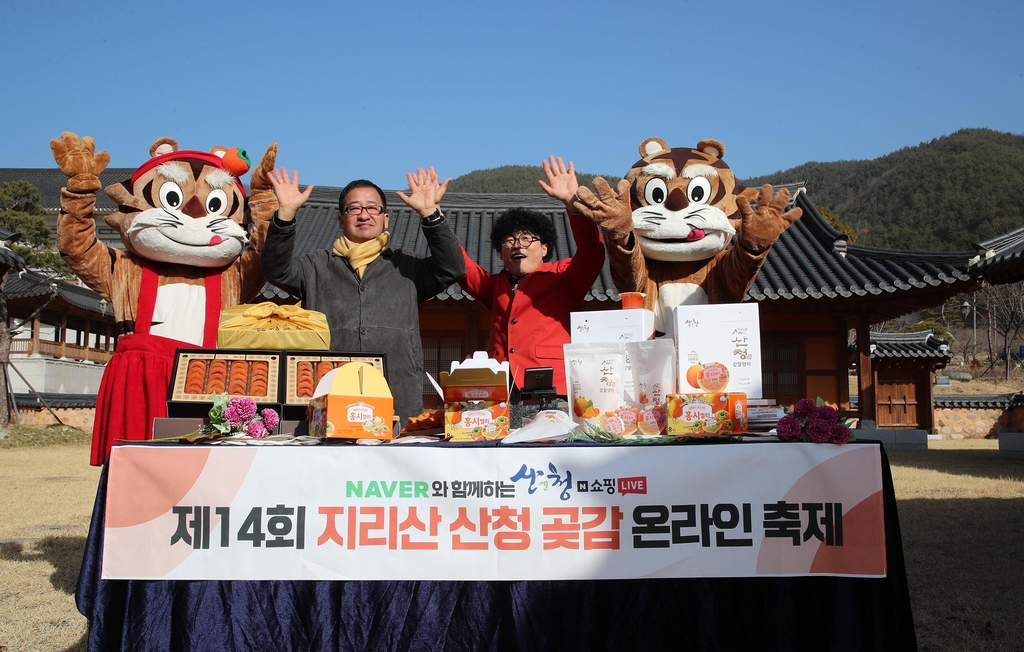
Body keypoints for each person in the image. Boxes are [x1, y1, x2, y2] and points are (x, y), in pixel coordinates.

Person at [262, 167, 464, 427]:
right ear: (340, 220)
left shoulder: (407, 266)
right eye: (354, 209)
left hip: (396, 395)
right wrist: (286, 215)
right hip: (331, 393)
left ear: (386, 219)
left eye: (372, 208)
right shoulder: (316, 266)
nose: (364, 214)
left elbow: (453, 268)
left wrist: (430, 215)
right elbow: (275, 269)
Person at [401, 158, 605, 398]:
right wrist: (432, 215)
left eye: (527, 239)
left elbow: (592, 253)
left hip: (551, 385)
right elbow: (460, 265)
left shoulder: (563, 277)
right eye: (509, 241)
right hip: (500, 387)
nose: (517, 245)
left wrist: (573, 203)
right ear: (502, 253)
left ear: (544, 248)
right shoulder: (494, 286)